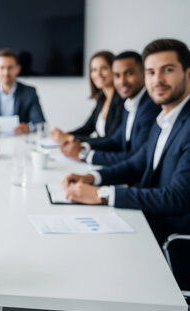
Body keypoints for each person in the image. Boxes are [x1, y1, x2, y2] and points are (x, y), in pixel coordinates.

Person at [62, 39, 190, 248]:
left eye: (167, 70)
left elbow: (178, 198)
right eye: (151, 72)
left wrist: (102, 194)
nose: (157, 79)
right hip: (147, 221)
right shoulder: (164, 119)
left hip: (172, 239)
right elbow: (136, 164)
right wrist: (92, 178)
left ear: (188, 74)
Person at [60, 51, 161, 166]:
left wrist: (84, 154)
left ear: (144, 73)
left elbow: (136, 157)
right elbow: (114, 140)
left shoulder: (149, 107)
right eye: (117, 75)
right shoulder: (130, 103)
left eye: (128, 73)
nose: (122, 81)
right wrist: (81, 146)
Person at [50, 51, 124, 143]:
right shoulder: (102, 99)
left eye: (104, 68)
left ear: (114, 70)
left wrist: (70, 138)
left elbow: (110, 139)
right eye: (94, 70)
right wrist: (65, 135)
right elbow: (87, 128)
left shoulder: (122, 101)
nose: (98, 74)